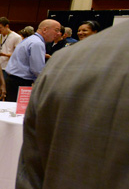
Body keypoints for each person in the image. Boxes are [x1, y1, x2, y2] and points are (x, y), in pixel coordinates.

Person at [17, 22, 129, 189]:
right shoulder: (60, 56)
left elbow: (30, 172)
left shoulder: (63, 60)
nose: (81, 32)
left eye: (85, 30)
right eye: (80, 30)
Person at [4, 19, 61, 102]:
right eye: (56, 30)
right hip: (21, 82)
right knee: (19, 111)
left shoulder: (31, 39)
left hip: (14, 80)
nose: (58, 33)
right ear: (45, 30)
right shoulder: (37, 43)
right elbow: (37, 69)